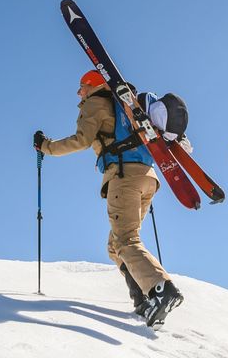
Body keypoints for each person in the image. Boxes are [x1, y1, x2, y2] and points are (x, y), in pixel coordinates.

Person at [34, 71, 184, 326]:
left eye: (81, 87)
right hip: (147, 178)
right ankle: (143, 299)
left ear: (92, 85)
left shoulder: (96, 103)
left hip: (124, 176)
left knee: (126, 240)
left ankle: (161, 290)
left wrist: (45, 146)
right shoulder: (124, 106)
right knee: (115, 246)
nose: (79, 93)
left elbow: (81, 140)